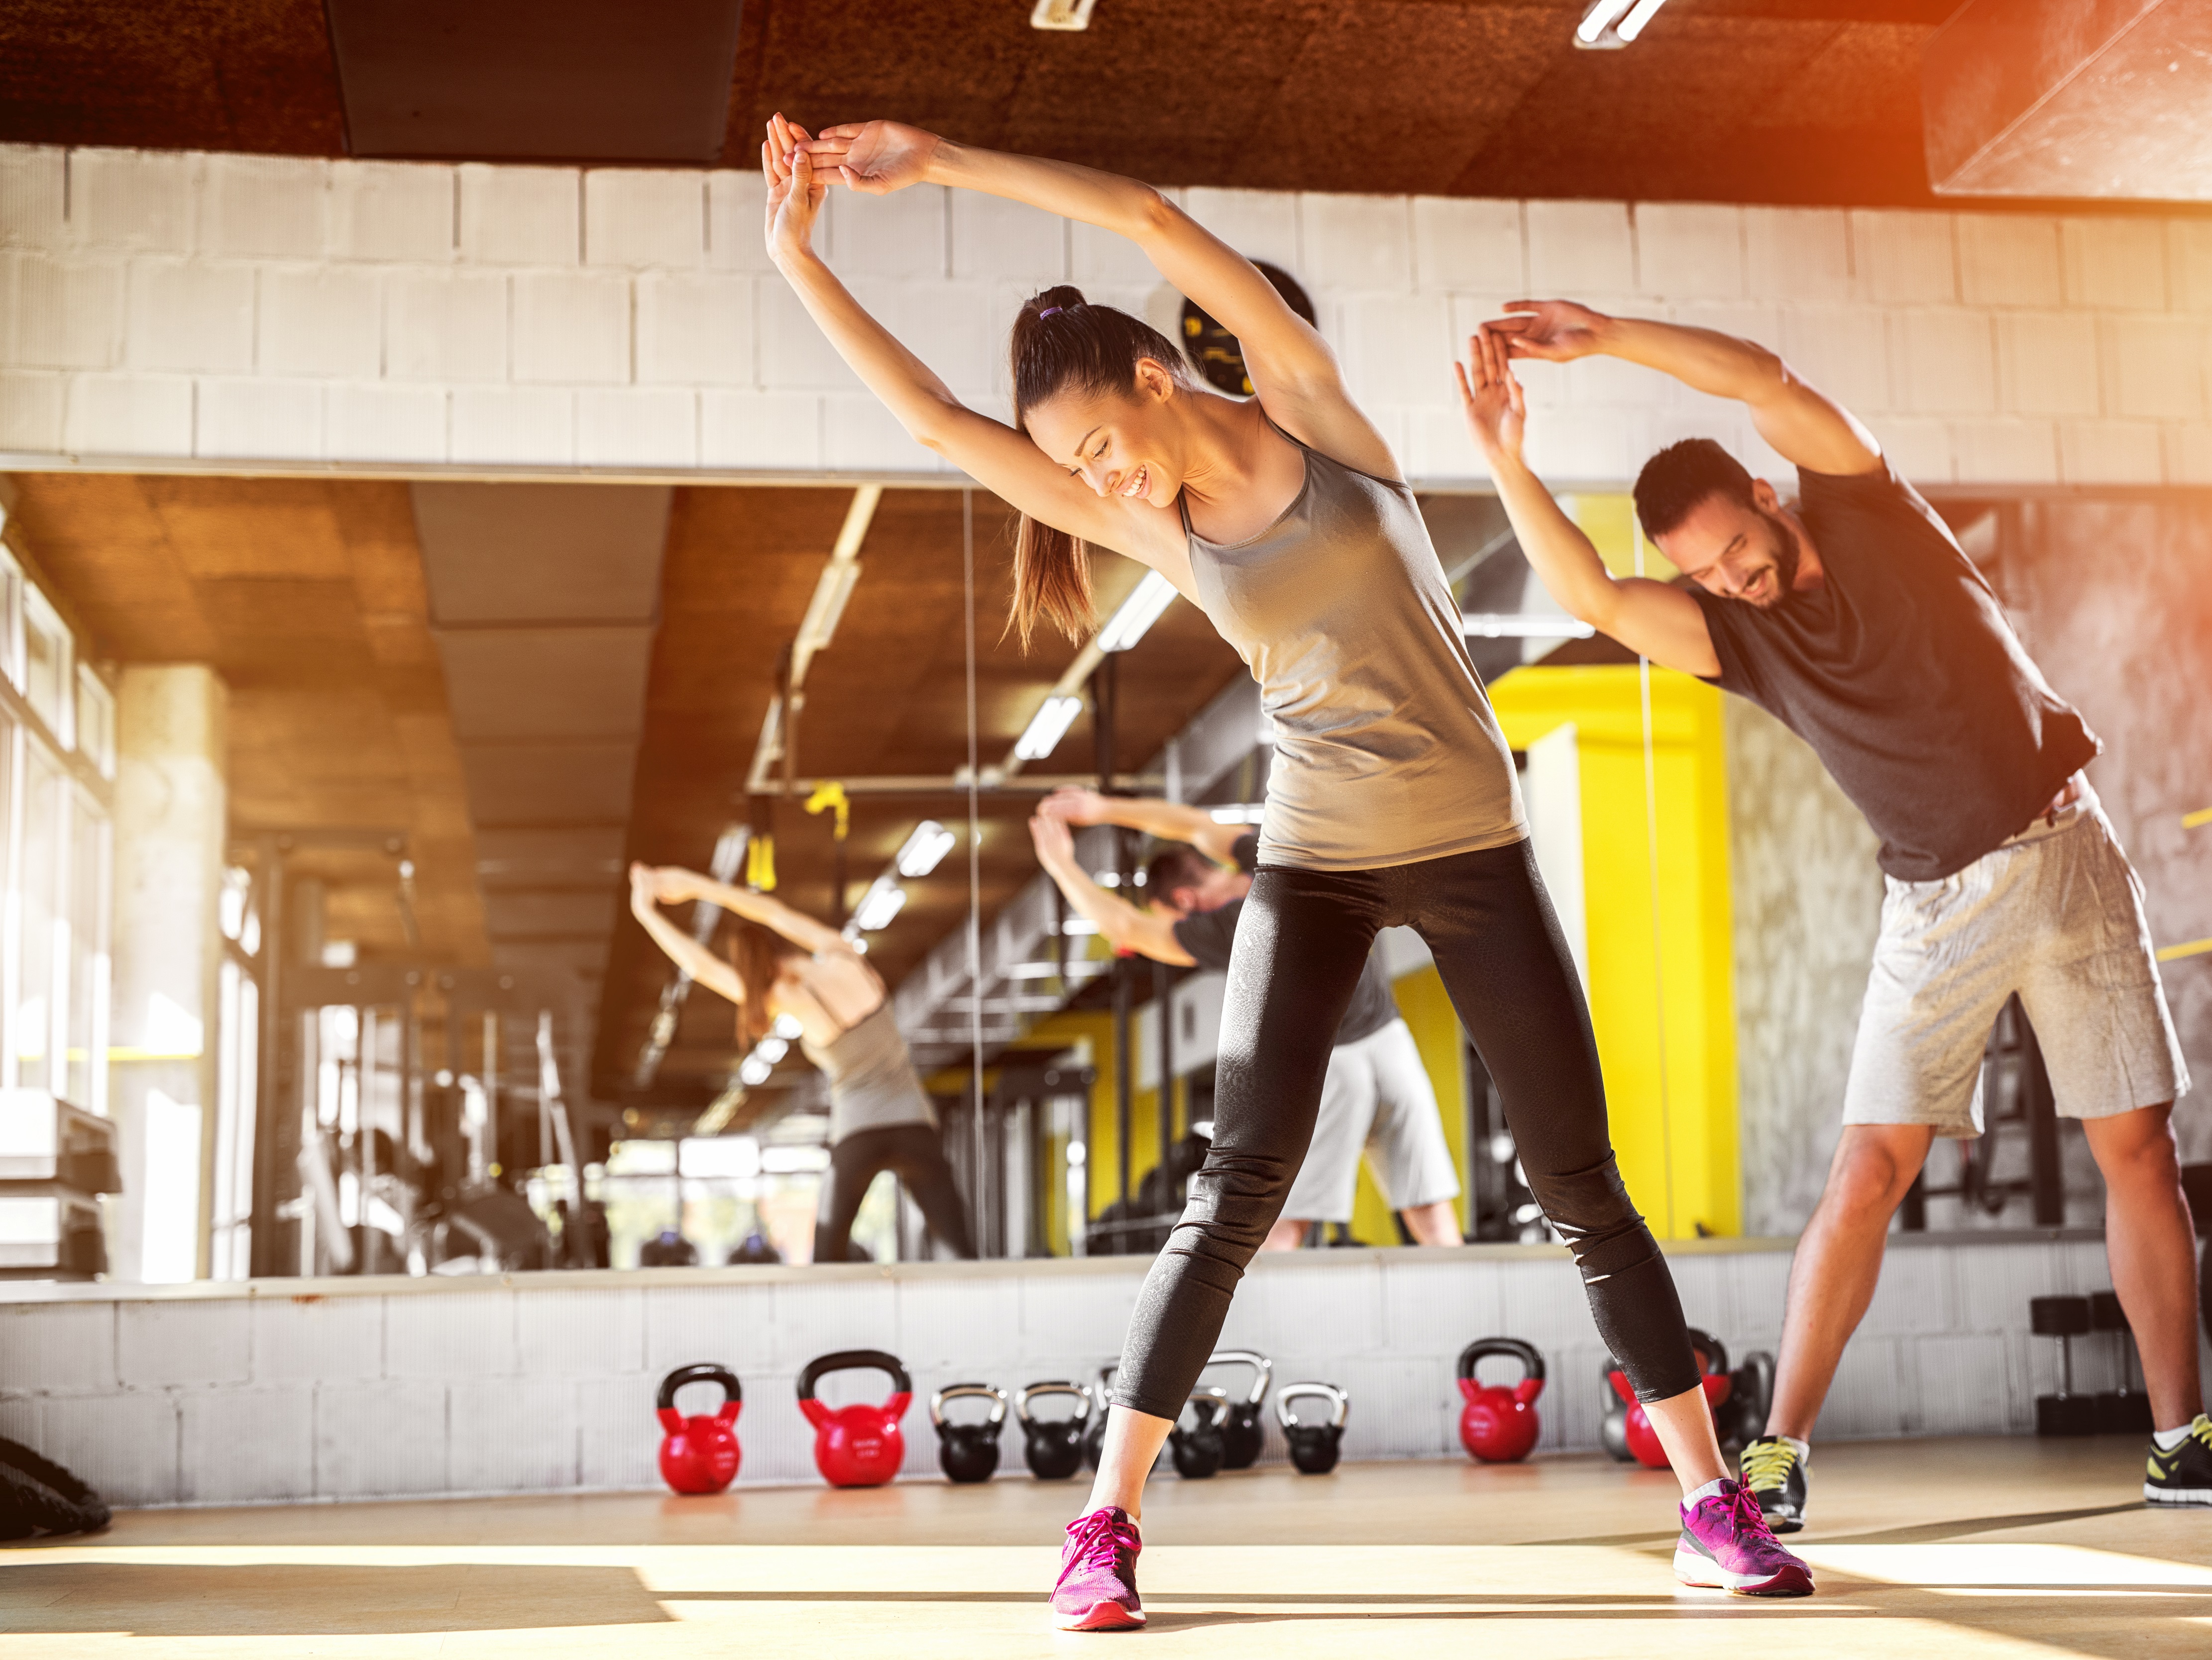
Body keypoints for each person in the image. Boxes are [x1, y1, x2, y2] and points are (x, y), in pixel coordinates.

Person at [761, 113, 1810, 1628]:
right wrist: (799, 258)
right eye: (1076, 469)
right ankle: (1104, 1524)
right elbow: (935, 422)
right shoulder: (1164, 531)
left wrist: (940, 167)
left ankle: (1707, 1498)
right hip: (1313, 856)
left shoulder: (1311, 414)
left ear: (1153, 374)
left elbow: (1149, 217)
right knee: (1234, 1183)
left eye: (1101, 439)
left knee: (1579, 1179)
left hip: (1471, 847)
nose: (1097, 477)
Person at [1456, 301, 2212, 1529]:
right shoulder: (1737, 641)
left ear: (1765, 491)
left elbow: (1763, 373)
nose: (1731, 577)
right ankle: (1776, 1453)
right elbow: (1590, 593)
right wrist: (1501, 452)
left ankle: (2178, 1438)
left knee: (2138, 1151)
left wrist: (1604, 338)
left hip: (2070, 853)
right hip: (1937, 904)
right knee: (1868, 1169)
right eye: (1703, 572)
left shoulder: (1866, 509)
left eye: (1736, 546)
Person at [1027, 787, 1465, 1250]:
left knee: (1285, 1224)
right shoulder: (1273, 859)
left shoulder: (1235, 924)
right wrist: (1104, 809)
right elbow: (1195, 826)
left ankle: (1274, 1324)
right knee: (1431, 1215)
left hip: (1333, 1067)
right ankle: (1474, 1319)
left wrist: (1060, 864)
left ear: (1185, 900)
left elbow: (1127, 929)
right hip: (1392, 1045)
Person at [627, 862, 976, 1264]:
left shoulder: (784, 998)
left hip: (857, 1136)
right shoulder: (842, 955)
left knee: (827, 1257)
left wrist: (647, 912)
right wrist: (697, 886)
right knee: (959, 1250)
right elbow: (772, 912)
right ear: (781, 946)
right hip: (916, 1125)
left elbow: (702, 967)